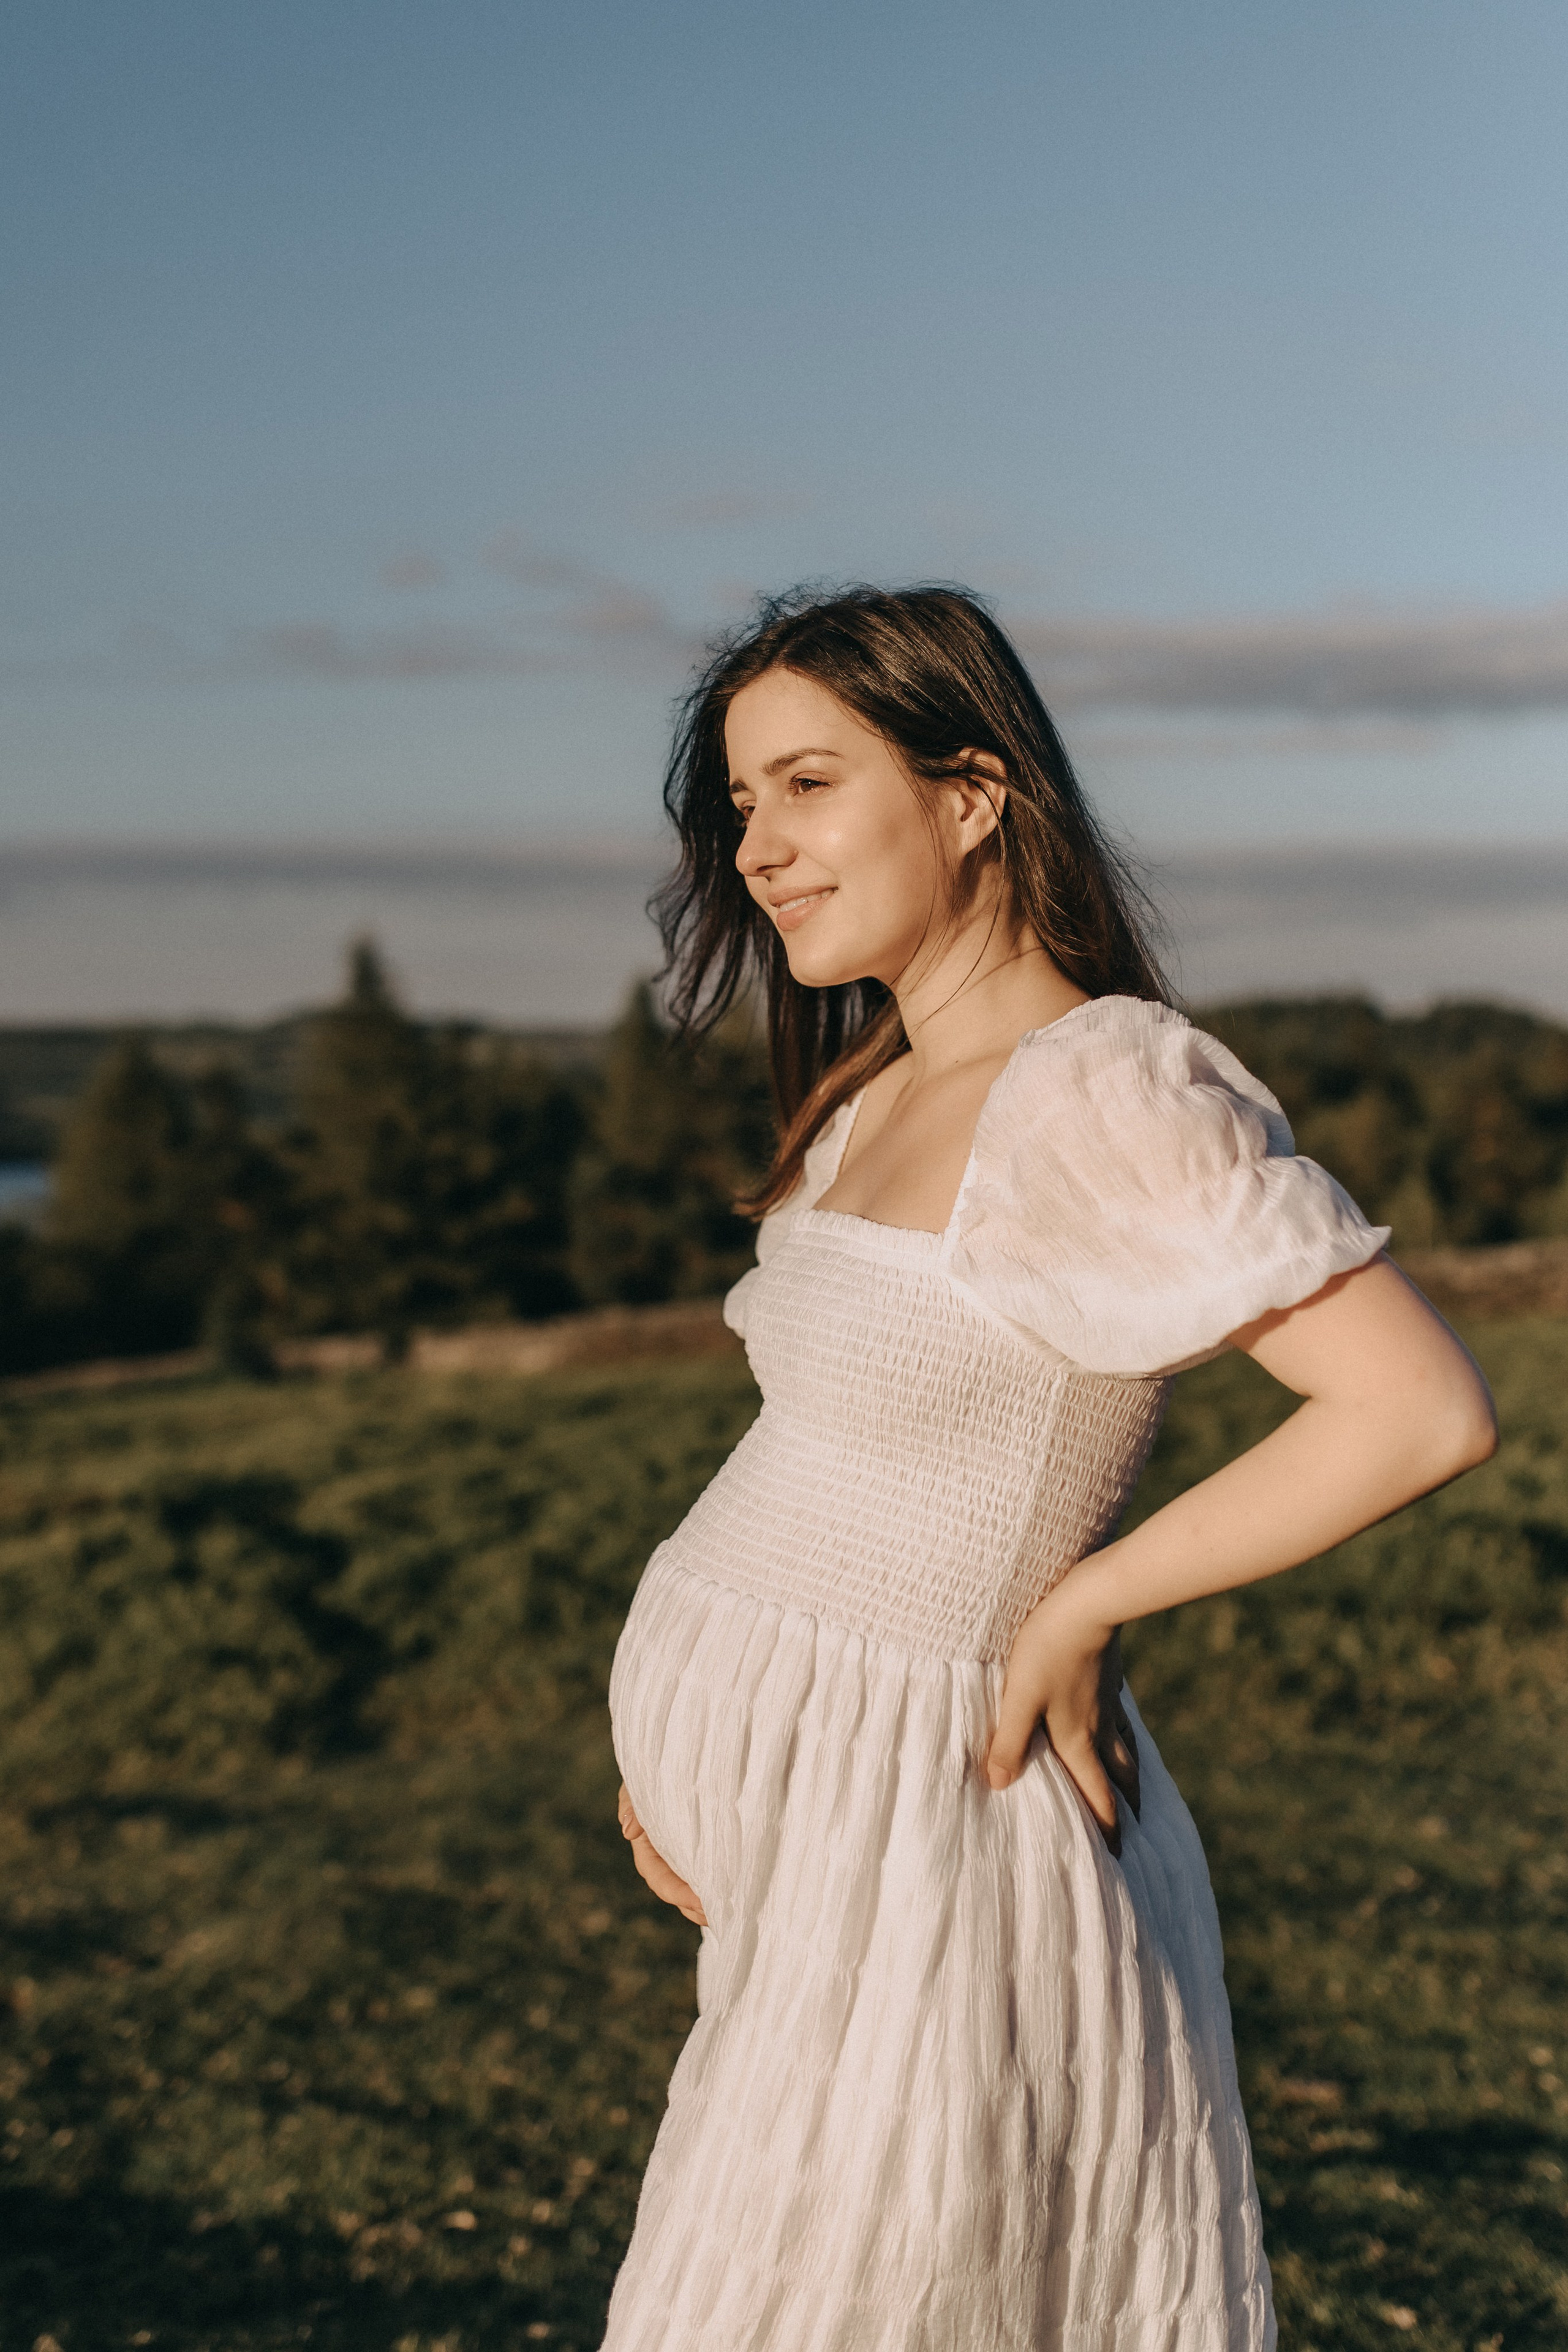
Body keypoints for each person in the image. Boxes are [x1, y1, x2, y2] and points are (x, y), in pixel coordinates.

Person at [601, 585, 1496, 2351]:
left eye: (802, 786)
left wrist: (1085, 1605)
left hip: (943, 1835)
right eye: (738, 808)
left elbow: (1417, 1412)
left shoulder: (1098, 1085)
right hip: (827, 1843)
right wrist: (713, 1762)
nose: (757, 850)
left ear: (971, 790)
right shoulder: (877, 1090)